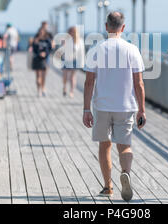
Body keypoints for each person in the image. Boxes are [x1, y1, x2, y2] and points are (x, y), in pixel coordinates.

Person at [83, 11, 146, 202]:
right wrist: (142, 109)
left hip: (102, 106)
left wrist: (86, 109)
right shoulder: (132, 50)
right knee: (125, 146)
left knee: (105, 145)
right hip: (126, 106)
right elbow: (139, 84)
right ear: (123, 27)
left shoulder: (96, 49)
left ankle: (108, 186)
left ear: (106, 26)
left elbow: (89, 82)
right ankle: (125, 172)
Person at [56, 26, 85, 98]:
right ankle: (64, 87)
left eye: (73, 31)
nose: (71, 33)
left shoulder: (80, 41)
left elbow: (81, 52)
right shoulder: (65, 39)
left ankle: (71, 91)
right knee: (65, 76)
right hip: (65, 60)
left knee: (73, 77)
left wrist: (82, 63)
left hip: (74, 60)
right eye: (70, 31)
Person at [31, 27, 53, 97]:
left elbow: (50, 49)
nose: (41, 33)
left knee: (44, 76)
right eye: (40, 32)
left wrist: (45, 54)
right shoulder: (36, 40)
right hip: (37, 59)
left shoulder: (47, 40)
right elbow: (34, 50)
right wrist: (39, 53)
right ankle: (38, 90)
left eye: (42, 32)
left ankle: (43, 88)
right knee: (38, 76)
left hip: (45, 60)